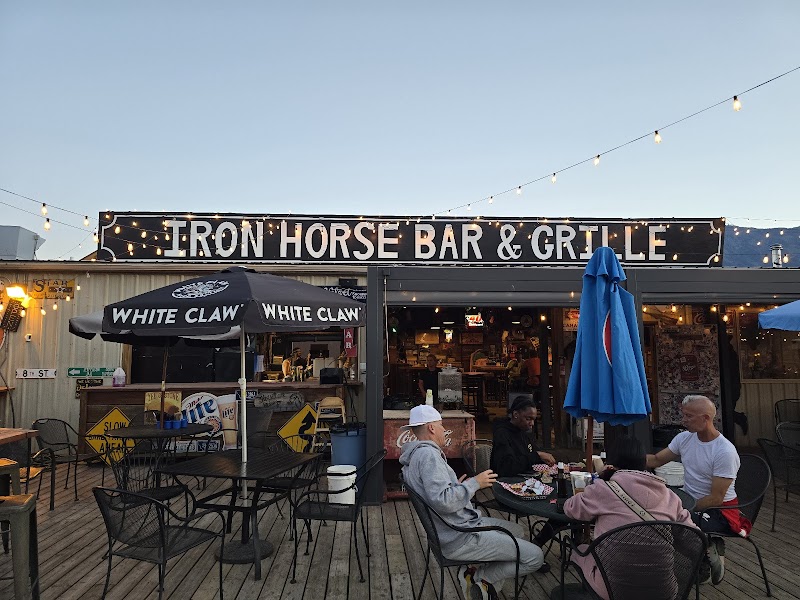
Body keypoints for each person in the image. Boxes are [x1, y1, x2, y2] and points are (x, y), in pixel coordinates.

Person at [400, 405, 545, 599]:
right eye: (441, 425)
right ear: (432, 428)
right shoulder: (428, 456)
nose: (444, 430)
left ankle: (478, 580)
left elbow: (437, 494)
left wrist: (457, 486)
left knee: (517, 531)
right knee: (535, 557)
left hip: (451, 528)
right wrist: (475, 484)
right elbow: (443, 501)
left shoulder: (416, 455)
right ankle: (481, 577)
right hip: (460, 536)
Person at [564, 436, 697, 600]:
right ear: (644, 462)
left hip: (613, 591)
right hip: (663, 592)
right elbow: (692, 536)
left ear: (611, 464)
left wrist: (599, 478)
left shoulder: (603, 489)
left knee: (582, 549)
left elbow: (571, 508)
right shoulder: (670, 496)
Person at [647, 395, 748, 586]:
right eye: (683, 415)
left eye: (688, 416)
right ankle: (705, 553)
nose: (683, 420)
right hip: (692, 502)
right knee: (653, 514)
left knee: (667, 522)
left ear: (706, 418)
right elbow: (656, 460)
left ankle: (703, 555)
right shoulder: (684, 438)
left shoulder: (724, 451)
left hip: (721, 511)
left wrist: (682, 509)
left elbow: (716, 498)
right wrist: (622, 460)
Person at [491, 397, 558, 551]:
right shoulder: (502, 433)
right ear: (515, 414)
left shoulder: (525, 433)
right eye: (528, 418)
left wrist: (539, 458)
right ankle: (534, 547)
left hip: (529, 484)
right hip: (507, 489)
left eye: (534, 419)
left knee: (564, 503)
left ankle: (537, 544)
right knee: (561, 507)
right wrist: (537, 455)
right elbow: (507, 467)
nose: (531, 423)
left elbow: (530, 456)